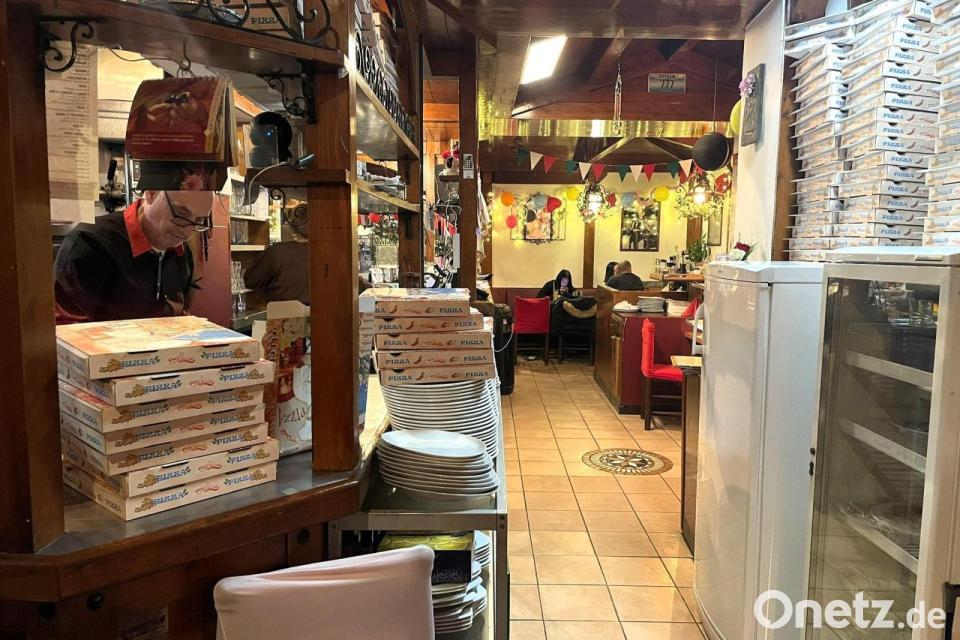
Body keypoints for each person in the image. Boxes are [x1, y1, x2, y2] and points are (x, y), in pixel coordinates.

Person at [54, 190, 213, 323]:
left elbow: (176, 317)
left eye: (198, 220)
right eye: (181, 214)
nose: (187, 232)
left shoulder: (180, 251)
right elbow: (66, 335)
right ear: (151, 193)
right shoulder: (90, 244)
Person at [245, 223, 373, 304]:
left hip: (283, 327)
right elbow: (361, 290)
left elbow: (251, 281)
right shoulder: (334, 254)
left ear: (293, 228)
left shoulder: (277, 252)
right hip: (327, 327)